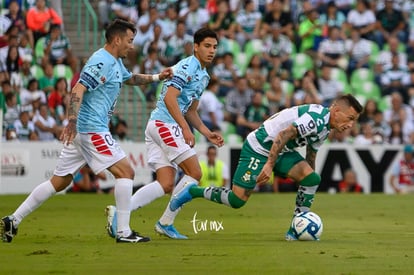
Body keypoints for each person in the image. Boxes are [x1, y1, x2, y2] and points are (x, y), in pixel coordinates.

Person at [0, 19, 173, 243]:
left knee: (59, 182)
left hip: (84, 131)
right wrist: (71, 120)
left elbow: (130, 78)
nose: (131, 46)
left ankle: (13, 219)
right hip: (91, 129)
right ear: (117, 39)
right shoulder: (101, 61)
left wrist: (157, 77)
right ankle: (123, 232)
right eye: (129, 41)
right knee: (126, 173)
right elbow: (78, 88)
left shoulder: (115, 62)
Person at [168, 94, 363, 240]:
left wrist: (307, 179)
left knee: (313, 178)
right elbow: (284, 135)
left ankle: (297, 227)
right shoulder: (316, 119)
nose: (351, 125)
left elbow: (311, 154)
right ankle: (193, 191)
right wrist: (269, 165)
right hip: (259, 147)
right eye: (350, 118)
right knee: (237, 200)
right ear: (336, 111)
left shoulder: (324, 129)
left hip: (282, 152)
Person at [105, 27, 224, 240]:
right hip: (164, 125)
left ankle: (121, 213)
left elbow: (191, 110)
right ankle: (165, 222)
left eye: (214, 47)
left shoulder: (204, 75)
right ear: (196, 47)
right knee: (195, 173)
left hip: (159, 126)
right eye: (207, 46)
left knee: (166, 183)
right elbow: (170, 98)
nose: (211, 51)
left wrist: (207, 132)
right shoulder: (188, 65)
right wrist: (185, 128)